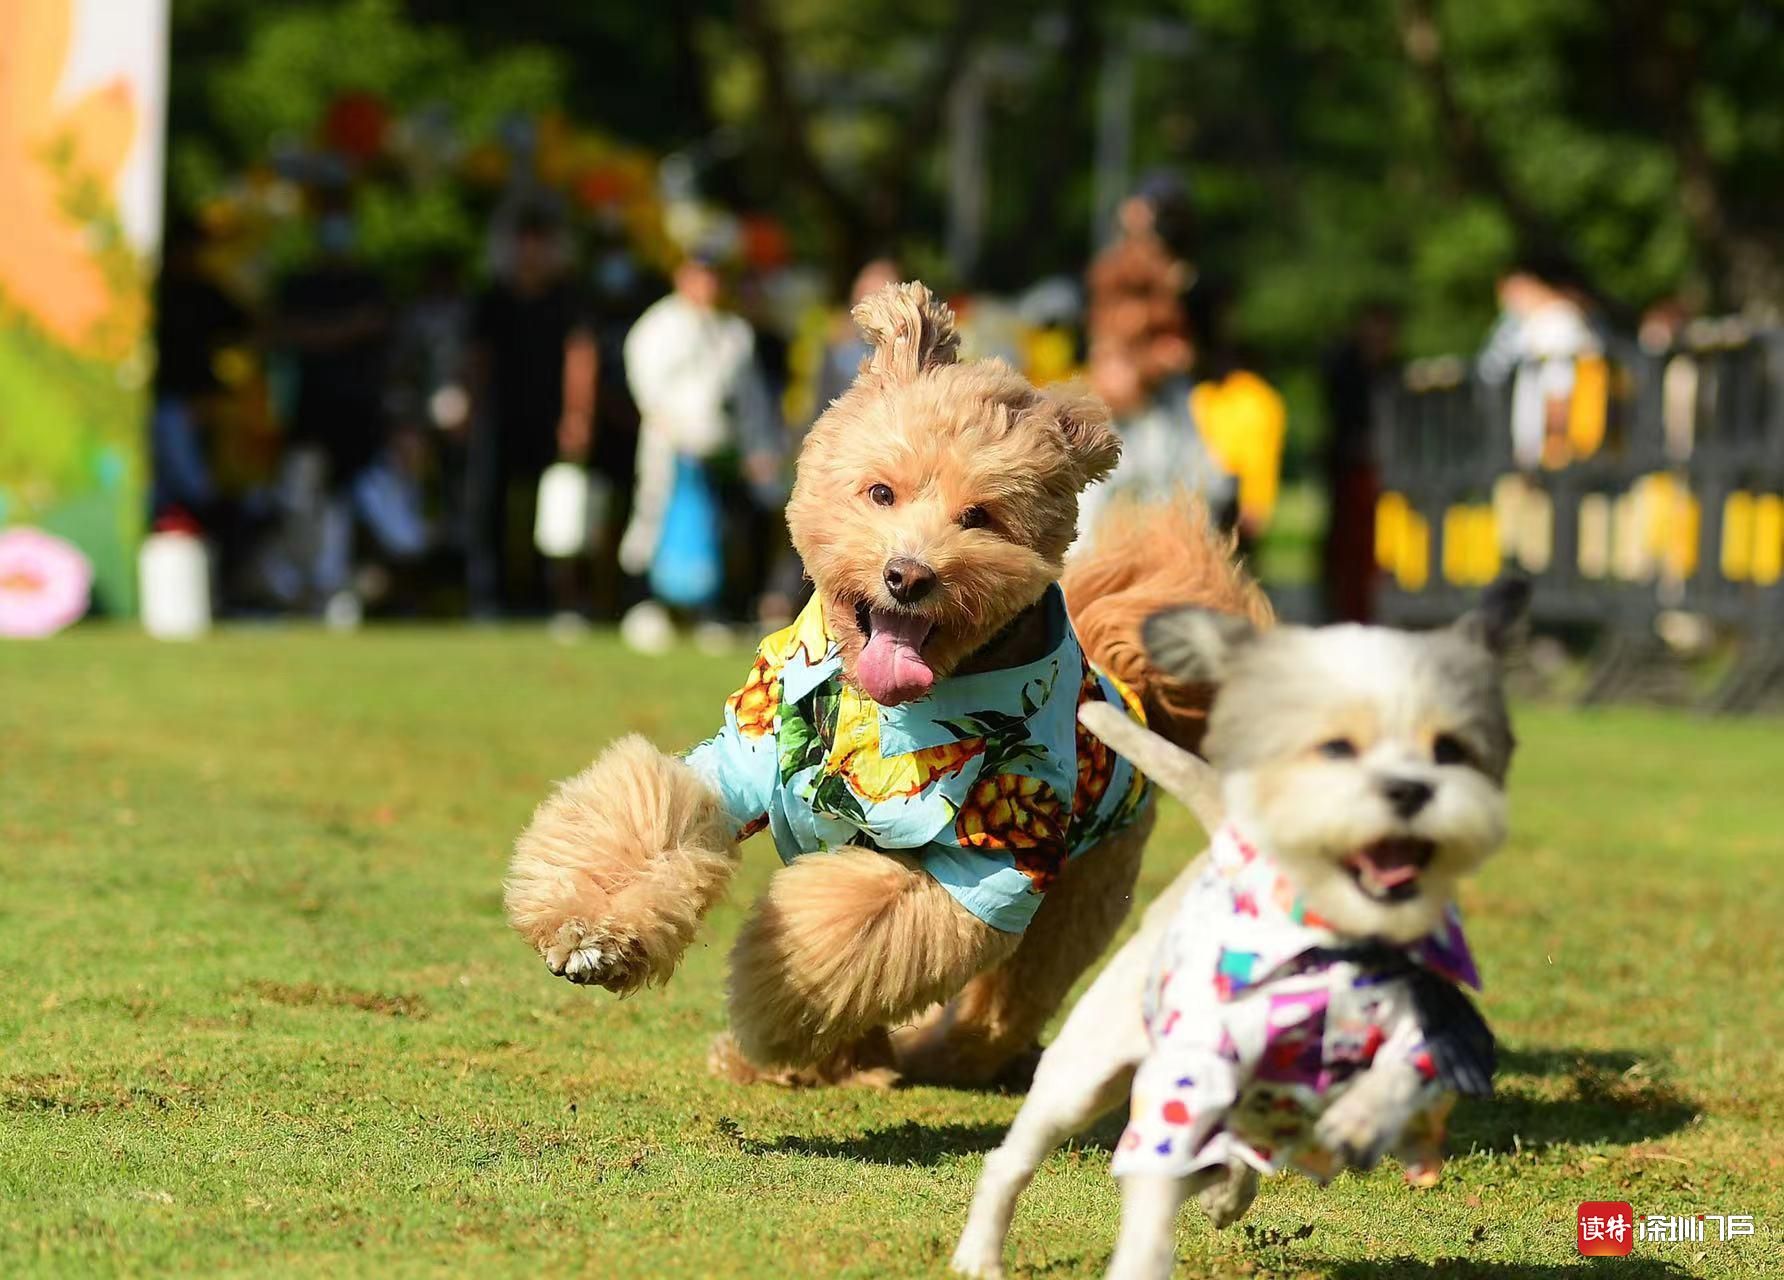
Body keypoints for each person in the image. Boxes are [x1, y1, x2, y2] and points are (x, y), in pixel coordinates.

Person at [266, 201, 424, 620]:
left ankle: (369, 589)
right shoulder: (300, 283)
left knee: (383, 516)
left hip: (364, 420)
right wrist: (348, 329)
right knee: (310, 506)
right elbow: (285, 332)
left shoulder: (370, 283)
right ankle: (317, 589)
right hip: (311, 417)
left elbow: (385, 340)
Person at [618, 251, 774, 651]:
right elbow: (647, 385)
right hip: (668, 446)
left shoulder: (734, 332)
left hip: (718, 450)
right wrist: (673, 430)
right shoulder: (658, 326)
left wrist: (758, 447)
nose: (707, 285)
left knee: (716, 528)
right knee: (653, 518)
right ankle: (643, 606)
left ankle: (711, 611)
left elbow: (750, 400)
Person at [464, 203, 596, 617]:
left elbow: (580, 356)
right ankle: (500, 593)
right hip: (503, 416)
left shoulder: (567, 297)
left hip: (551, 419)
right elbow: (478, 358)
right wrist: (472, 407)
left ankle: (555, 594)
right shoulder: (494, 298)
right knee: (498, 506)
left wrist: (576, 415)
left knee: (556, 510)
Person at [1476, 255, 1603, 470]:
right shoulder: (1539, 321)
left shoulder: (1557, 322)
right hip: (1541, 447)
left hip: (1556, 451)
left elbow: (1560, 386)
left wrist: (1555, 440)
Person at [1320, 301, 1400, 622]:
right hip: (1352, 467)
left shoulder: (1388, 372)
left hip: (1377, 469)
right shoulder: (1348, 372)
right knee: (1350, 547)